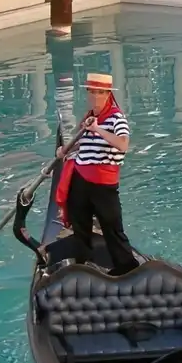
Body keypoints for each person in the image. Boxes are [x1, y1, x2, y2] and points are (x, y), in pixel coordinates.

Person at [57, 72, 136, 273]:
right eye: (91, 92)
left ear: (108, 94)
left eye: (99, 93)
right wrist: (65, 150)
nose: (95, 97)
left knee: (113, 229)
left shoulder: (117, 118)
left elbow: (123, 145)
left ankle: (127, 269)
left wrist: (98, 129)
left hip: (103, 183)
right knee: (80, 226)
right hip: (80, 180)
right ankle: (82, 265)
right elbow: (83, 145)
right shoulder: (89, 118)